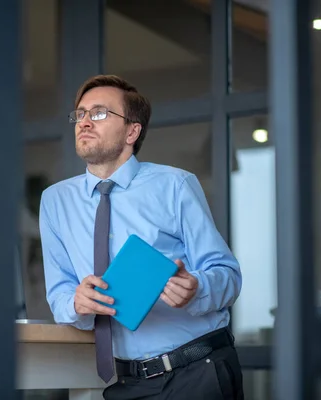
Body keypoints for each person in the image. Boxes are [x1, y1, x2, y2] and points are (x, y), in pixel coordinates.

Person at [39, 74, 244, 400]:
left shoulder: (175, 185)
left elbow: (228, 276)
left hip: (196, 372)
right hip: (125, 382)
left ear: (132, 131)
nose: (85, 122)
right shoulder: (55, 201)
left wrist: (197, 288)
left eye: (100, 113)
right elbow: (60, 293)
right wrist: (76, 302)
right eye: (80, 114)